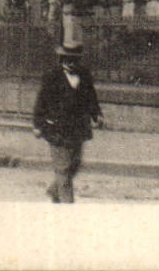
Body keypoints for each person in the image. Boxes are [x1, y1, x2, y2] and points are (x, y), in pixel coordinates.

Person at [32, 40, 104, 203]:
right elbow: (41, 101)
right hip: (56, 128)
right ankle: (67, 207)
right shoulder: (52, 76)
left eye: (74, 59)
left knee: (75, 164)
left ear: (79, 60)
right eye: (66, 59)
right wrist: (37, 124)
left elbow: (91, 98)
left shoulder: (84, 75)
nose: (70, 63)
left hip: (78, 128)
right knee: (63, 169)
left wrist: (97, 115)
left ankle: (53, 190)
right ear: (61, 59)